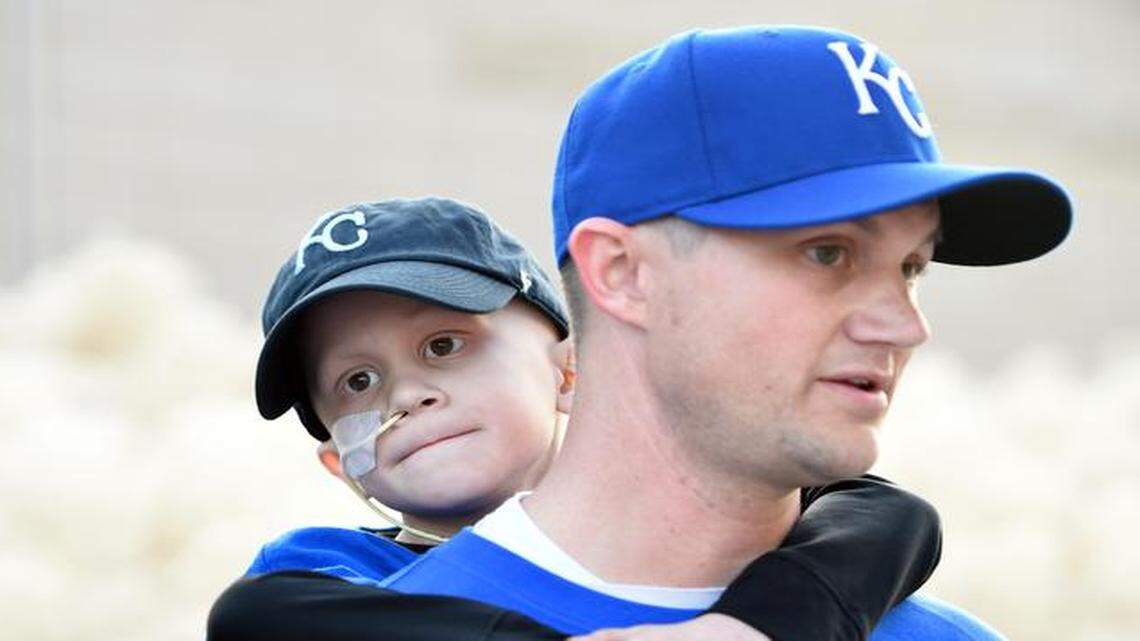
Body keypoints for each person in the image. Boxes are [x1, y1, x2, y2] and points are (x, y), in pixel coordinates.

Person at [214, 24, 1073, 640]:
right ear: (622, 273)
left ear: (559, 364)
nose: (905, 324)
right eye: (826, 252)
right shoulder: (343, 600)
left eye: (913, 266)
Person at [208, 196, 944, 641]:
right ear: (339, 461)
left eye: (444, 344)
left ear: (570, 369)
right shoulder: (337, 573)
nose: (406, 396)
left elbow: (887, 513)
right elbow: (255, 618)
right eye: (356, 381)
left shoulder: (712, 537)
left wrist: (752, 624)